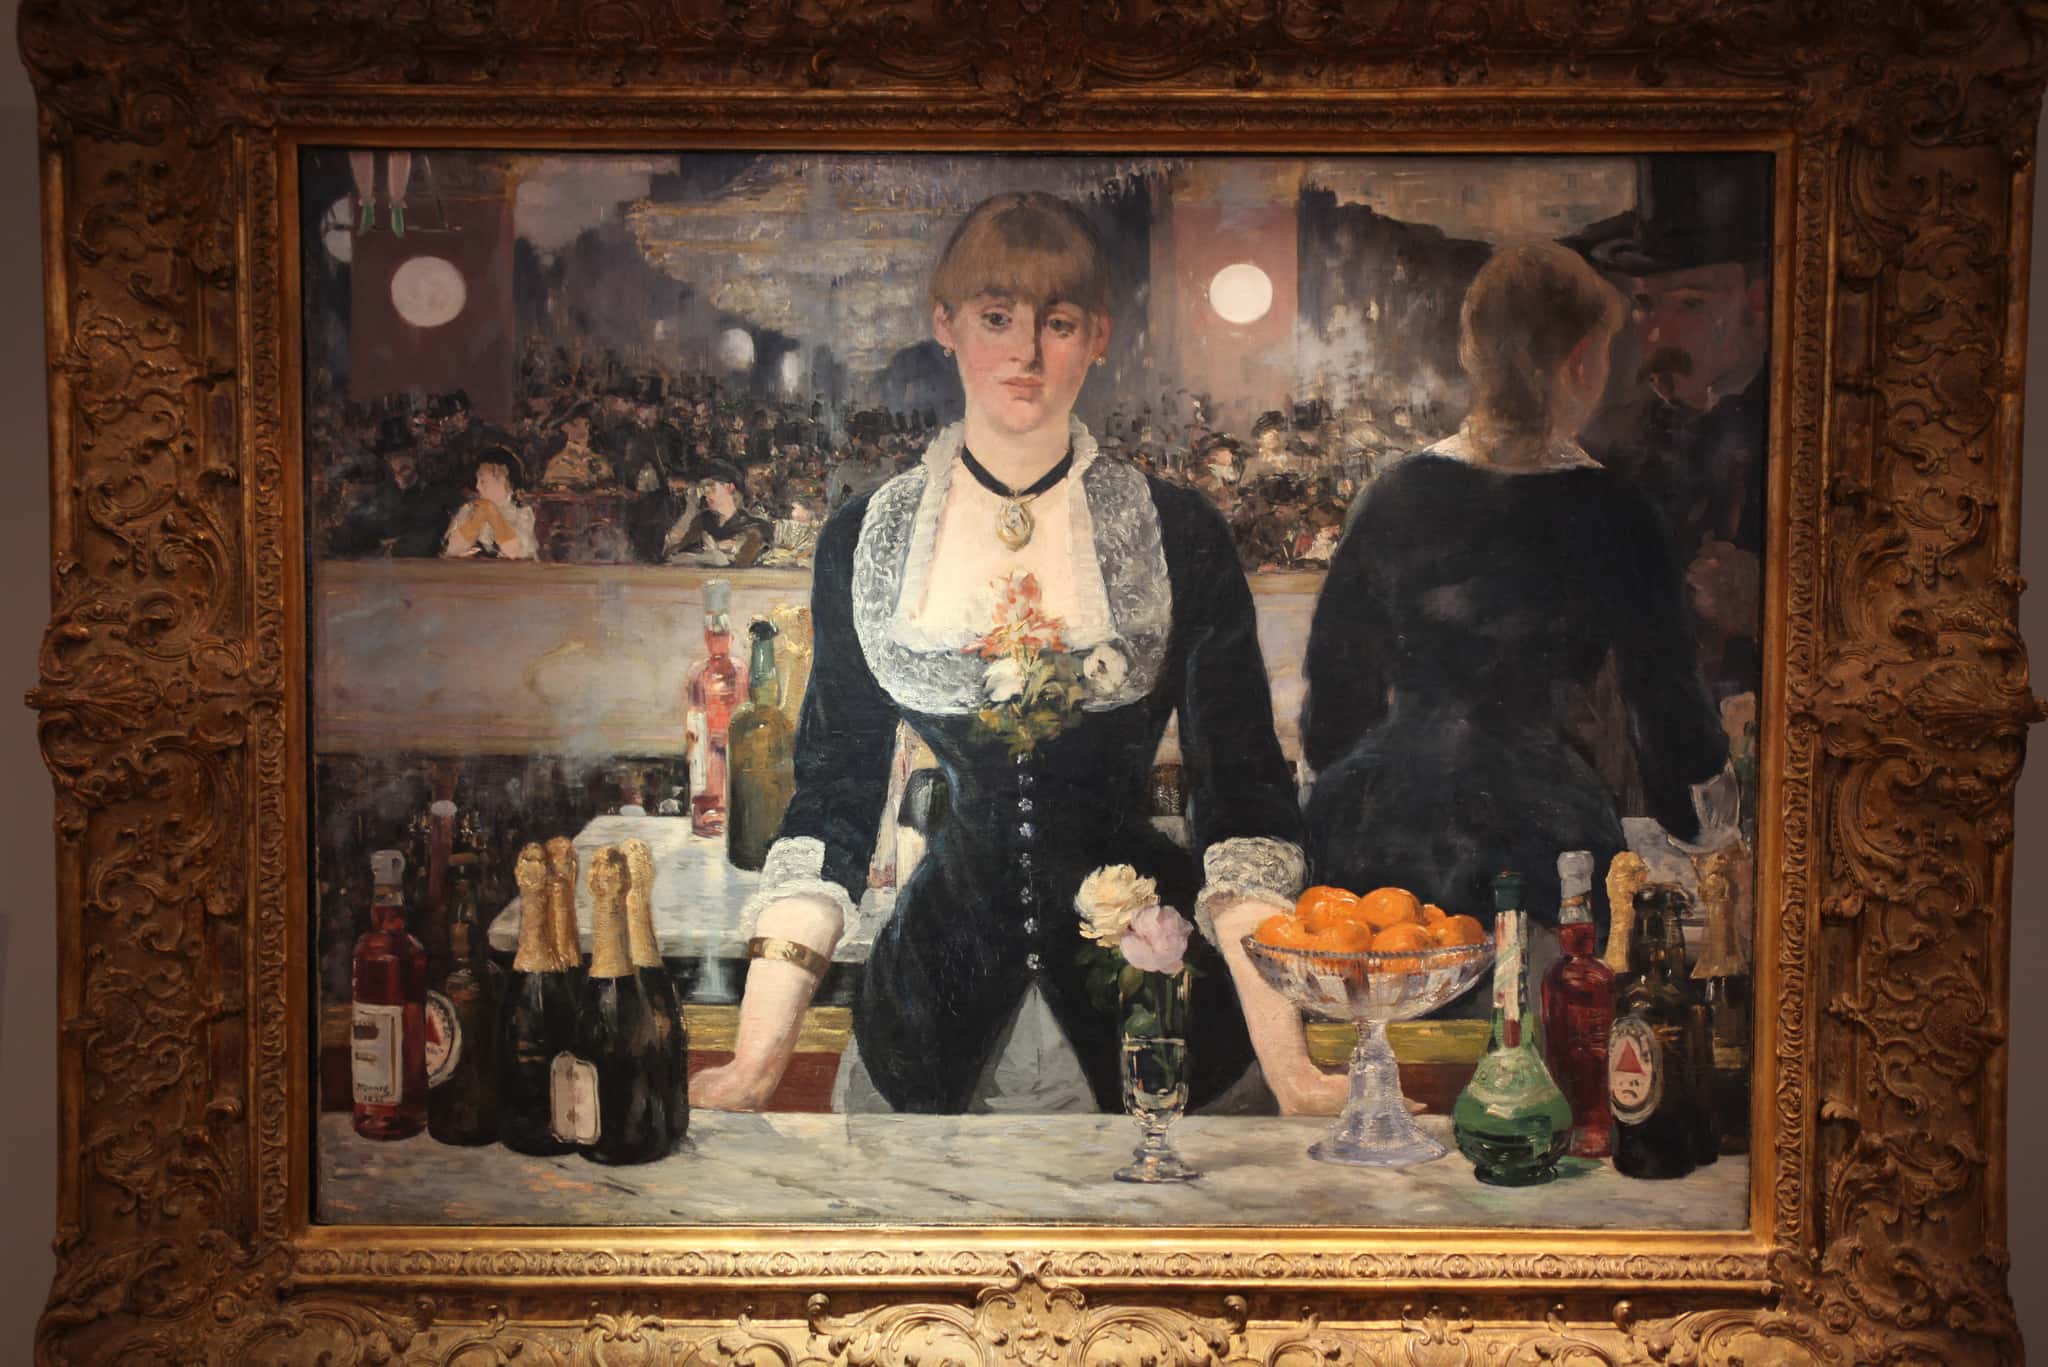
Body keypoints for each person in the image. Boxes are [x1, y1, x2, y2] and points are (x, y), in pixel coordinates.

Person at [693, 191, 1341, 1116]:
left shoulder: (1175, 532)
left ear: (1098, 338)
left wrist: (1292, 1069)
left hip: (1159, 1016)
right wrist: (757, 1062)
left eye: (1059, 323)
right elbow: (831, 810)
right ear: (945, 325)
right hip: (931, 1011)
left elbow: (1242, 808)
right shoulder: (870, 539)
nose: (1027, 354)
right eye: (997, 318)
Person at [1300, 240, 1728, 959]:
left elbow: (1334, 701)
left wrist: (1355, 784)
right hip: (1542, 834)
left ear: (1472, 354)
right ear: (1582, 362)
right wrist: (1700, 825)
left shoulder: (1394, 495)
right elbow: (1667, 704)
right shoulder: (1617, 510)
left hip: (1377, 827)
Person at [1575, 155, 1770, 701]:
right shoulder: (1606, 444)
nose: (1657, 336)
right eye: (1644, 304)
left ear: (1758, 305)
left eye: (1690, 304)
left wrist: (1771, 610)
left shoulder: (1814, 433)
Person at [441, 451, 537, 560]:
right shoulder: (469, 510)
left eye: (483, 481)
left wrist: (491, 512)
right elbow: (449, 550)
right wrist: (479, 517)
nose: (477, 486)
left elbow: (516, 553)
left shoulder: (522, 513)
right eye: (477, 480)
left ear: (504, 482)